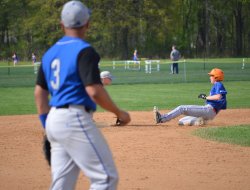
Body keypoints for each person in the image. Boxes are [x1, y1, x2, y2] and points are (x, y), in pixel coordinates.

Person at [34, 1, 131, 190]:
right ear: (87, 23)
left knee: (61, 184)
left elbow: (39, 94)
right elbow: (94, 90)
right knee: (106, 178)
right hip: (74, 118)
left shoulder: (49, 53)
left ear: (62, 25)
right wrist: (120, 113)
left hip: (54, 119)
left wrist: (49, 126)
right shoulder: (84, 51)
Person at [153, 68, 227, 126]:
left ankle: (161, 118)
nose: (210, 77)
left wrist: (206, 97)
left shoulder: (218, 84)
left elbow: (218, 96)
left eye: (211, 75)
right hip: (211, 112)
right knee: (181, 121)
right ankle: (197, 122)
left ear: (216, 77)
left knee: (181, 108)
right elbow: (221, 102)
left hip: (209, 110)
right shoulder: (217, 85)